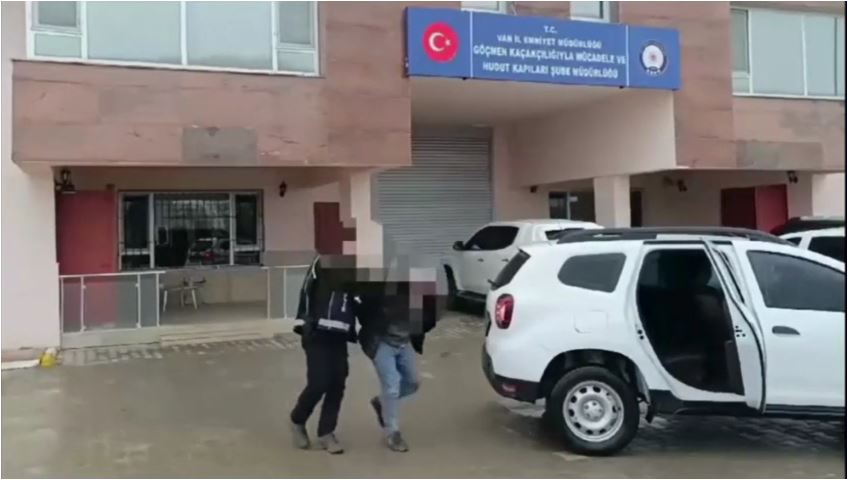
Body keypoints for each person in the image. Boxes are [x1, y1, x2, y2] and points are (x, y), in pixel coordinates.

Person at [357, 256, 441, 452]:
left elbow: (429, 322)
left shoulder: (422, 297)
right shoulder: (380, 291)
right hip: (381, 343)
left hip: (404, 343)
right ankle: (392, 433)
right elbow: (363, 310)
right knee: (392, 386)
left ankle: (382, 402)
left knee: (412, 382)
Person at [289, 254, 359, 455]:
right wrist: (304, 322)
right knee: (319, 382)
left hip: (339, 335)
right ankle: (297, 419)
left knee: (337, 383)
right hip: (316, 333)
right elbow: (307, 289)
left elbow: (362, 301)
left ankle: (327, 432)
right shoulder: (323, 260)